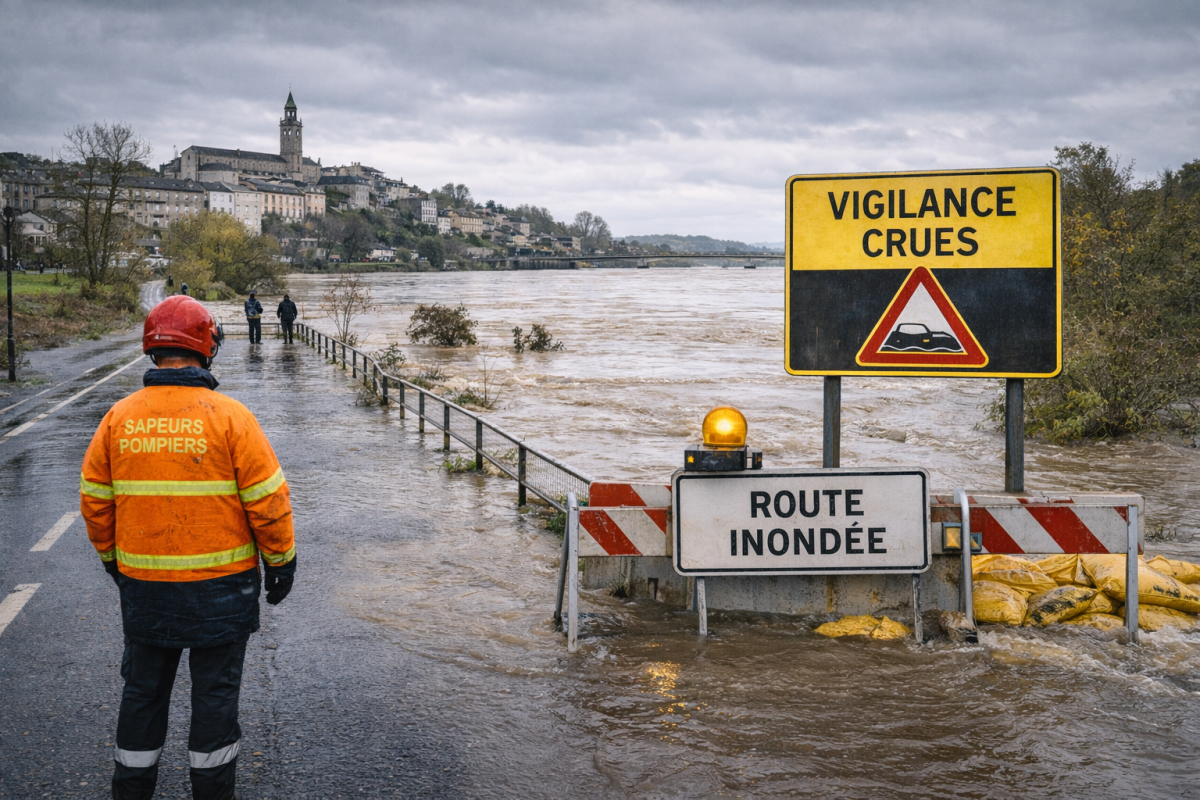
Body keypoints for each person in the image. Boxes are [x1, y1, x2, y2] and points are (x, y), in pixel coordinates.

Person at [80, 295, 296, 800]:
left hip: (145, 591)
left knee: (142, 695)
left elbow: (94, 501)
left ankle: (131, 791)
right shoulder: (231, 417)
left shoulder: (119, 418)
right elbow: (268, 502)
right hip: (221, 595)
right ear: (207, 348)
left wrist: (114, 561)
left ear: (152, 351)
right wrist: (282, 563)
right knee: (215, 699)